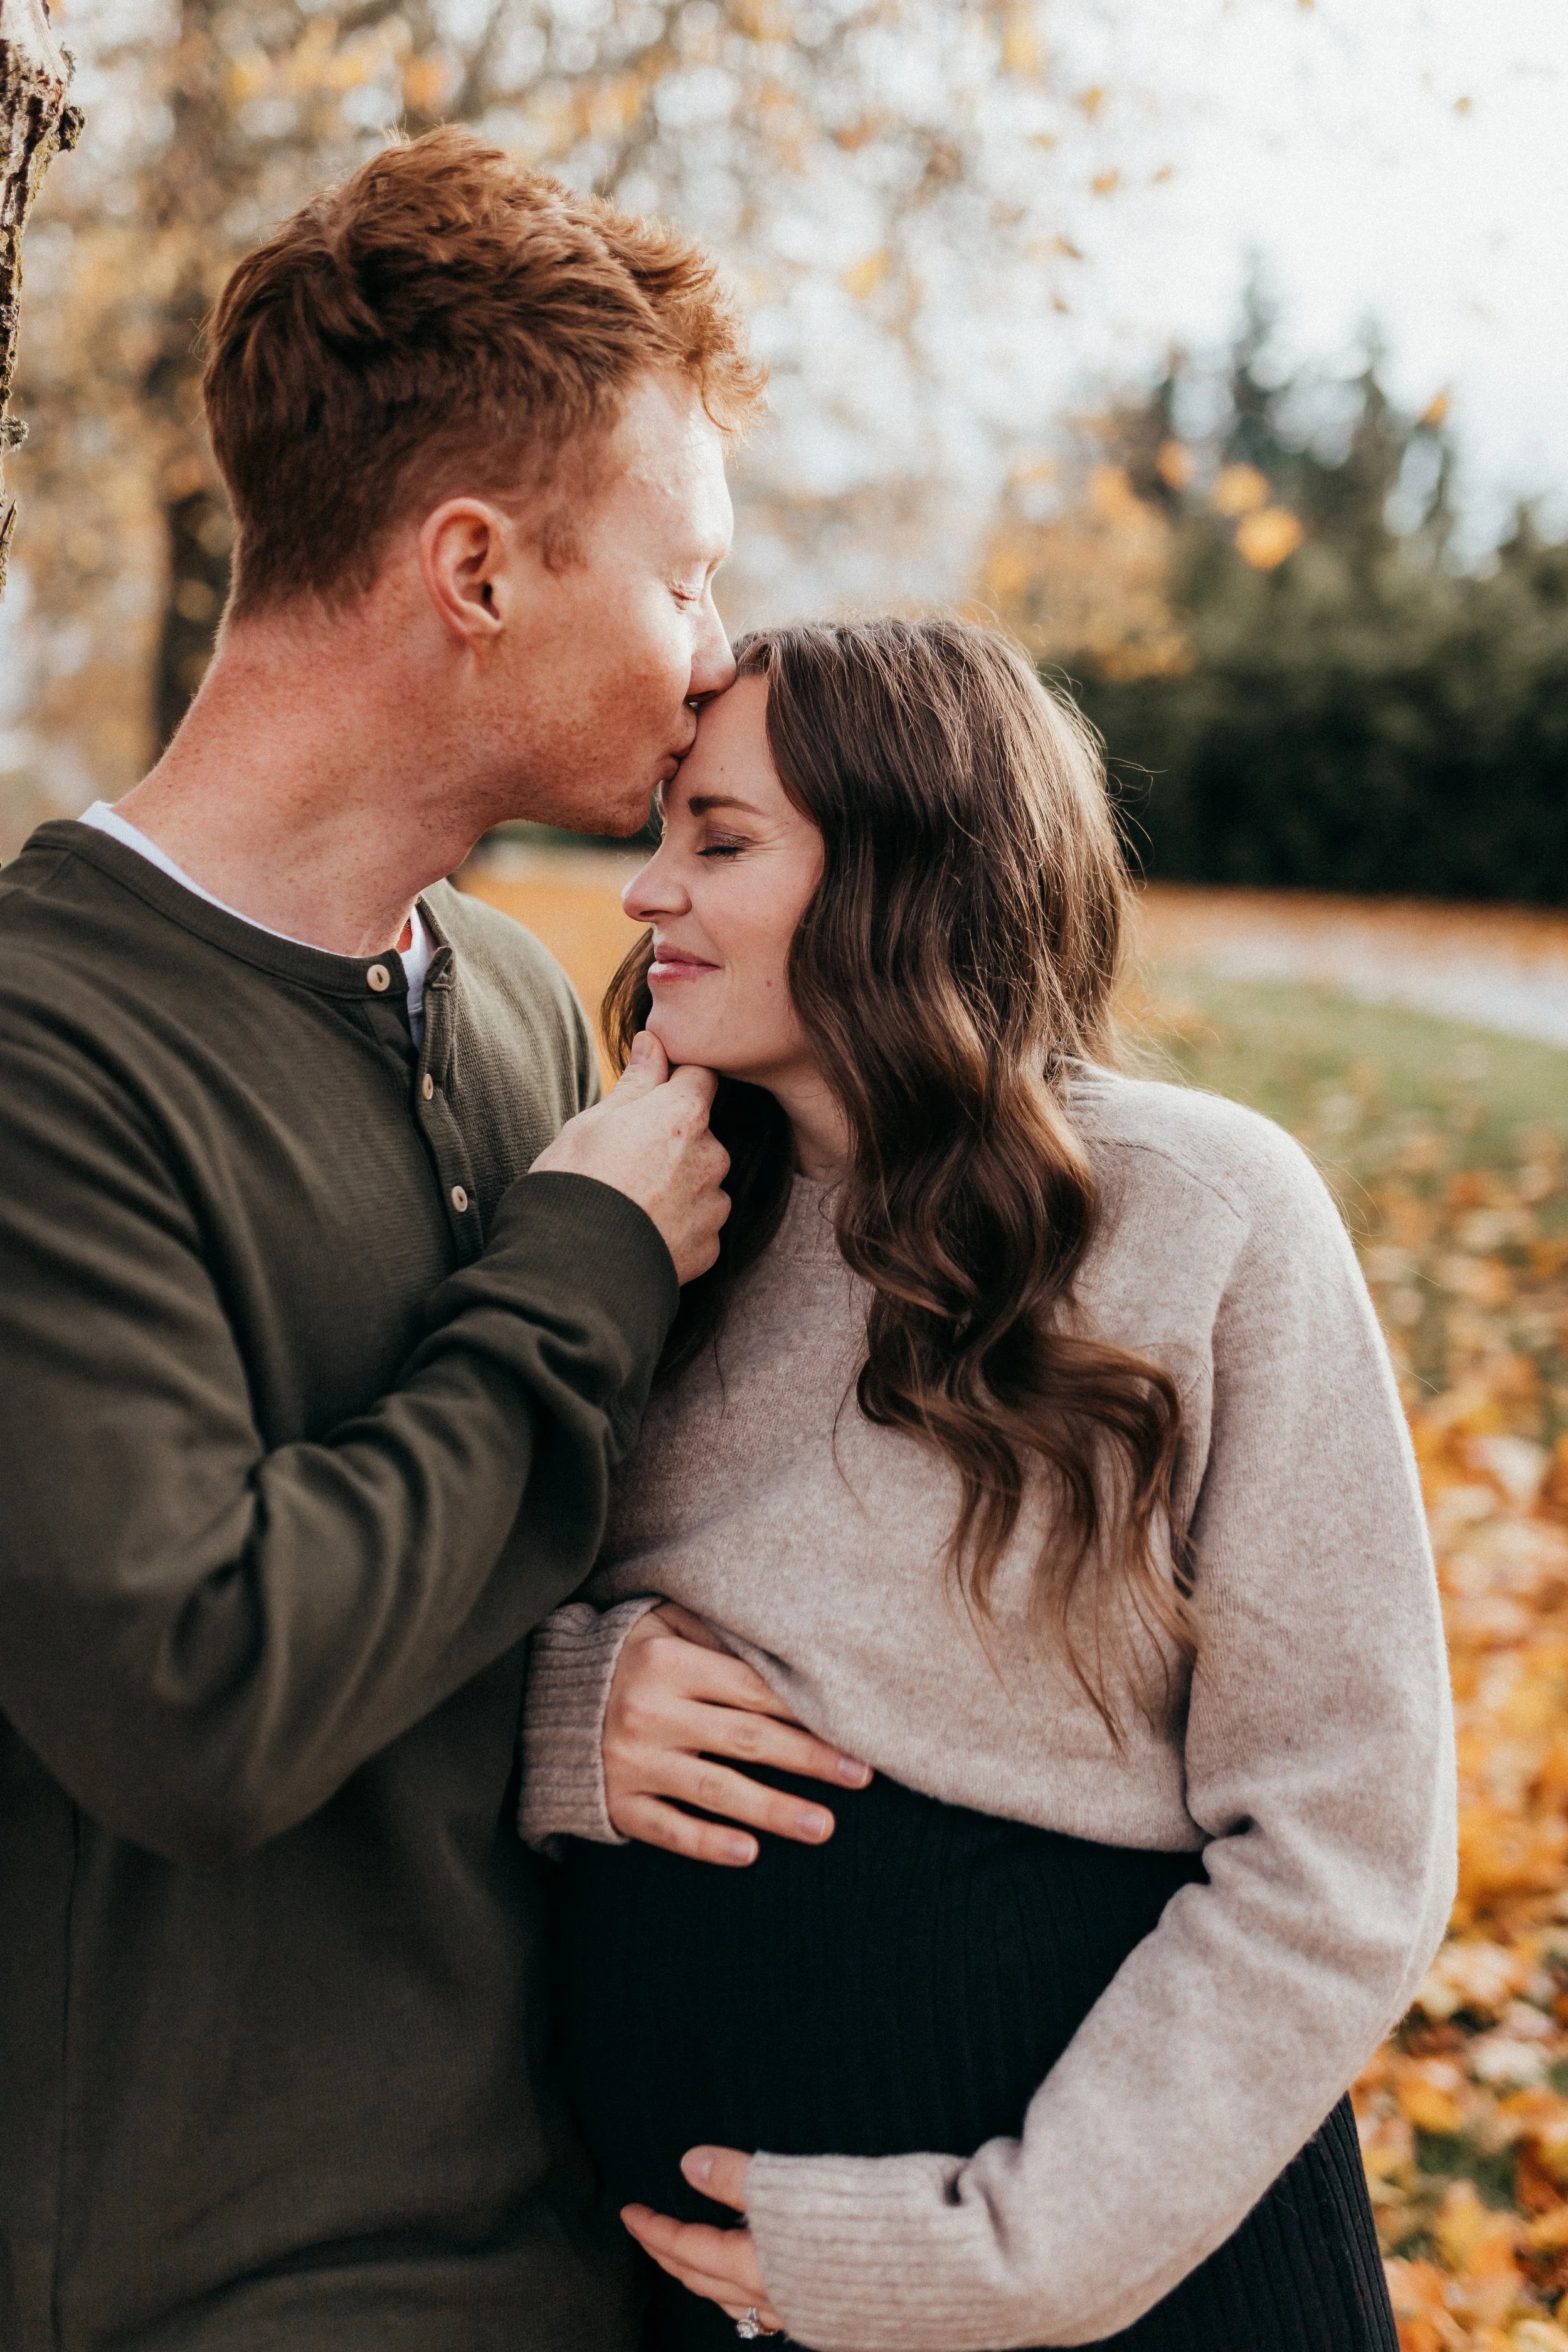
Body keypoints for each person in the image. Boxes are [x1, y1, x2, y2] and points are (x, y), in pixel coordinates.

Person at [0, 126, 786, 2352]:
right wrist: (568, 1279)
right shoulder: (42, 1044)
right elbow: (199, 1697)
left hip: (585, 2228)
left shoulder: (531, 1002)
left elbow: (505, 1583)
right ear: (473, 569)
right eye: (682, 576)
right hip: (225, 2287)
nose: (715, 649)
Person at [520, 617, 1458, 2351]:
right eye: (661, 829)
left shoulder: (1193, 1210)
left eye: (719, 839)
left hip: (1115, 2276)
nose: (645, 890)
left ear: (904, 865)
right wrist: (568, 1712)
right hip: (701, 2278)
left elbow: (1345, 1842)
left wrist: (1003, 2257)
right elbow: (453, 1601)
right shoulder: (641, 1215)